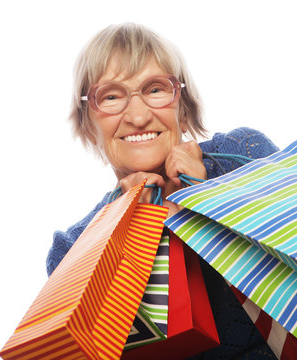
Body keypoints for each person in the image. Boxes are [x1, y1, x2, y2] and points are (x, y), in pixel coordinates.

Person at [46, 22, 279, 359]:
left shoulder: (242, 156)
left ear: (182, 107)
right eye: (111, 96)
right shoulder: (73, 249)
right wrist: (123, 239)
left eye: (155, 90)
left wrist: (210, 201)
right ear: (88, 123)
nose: (138, 117)